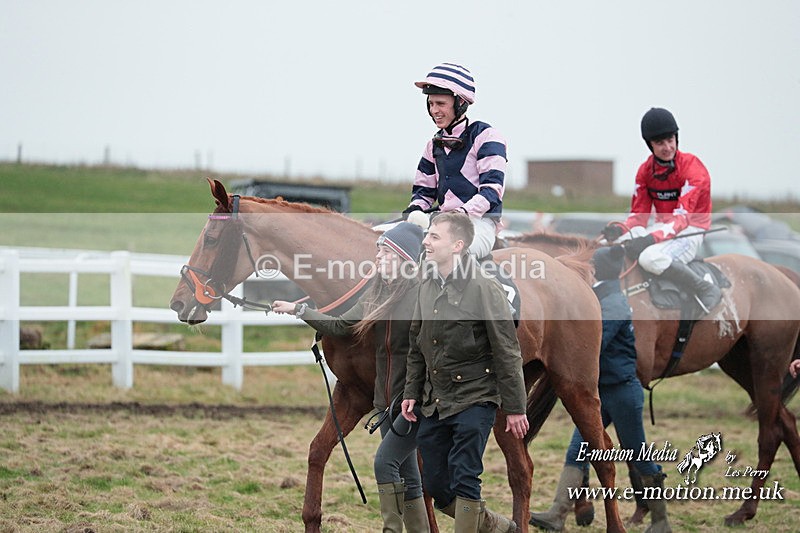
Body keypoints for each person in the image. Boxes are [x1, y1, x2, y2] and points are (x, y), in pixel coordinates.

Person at [272, 222, 430, 533]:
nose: (378, 258)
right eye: (379, 251)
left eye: (385, 252)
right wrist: (299, 311)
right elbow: (343, 325)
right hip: (387, 400)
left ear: (403, 259)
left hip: (411, 400)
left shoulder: (421, 295)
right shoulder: (378, 289)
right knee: (409, 477)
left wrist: (418, 392)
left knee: (385, 463)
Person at [400, 211, 528, 533]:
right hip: (434, 401)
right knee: (437, 483)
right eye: (427, 235)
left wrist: (514, 407)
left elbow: (507, 350)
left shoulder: (485, 288)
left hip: (476, 398)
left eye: (434, 236)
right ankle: (498, 526)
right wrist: (412, 393)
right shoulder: (426, 285)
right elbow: (417, 345)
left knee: (465, 475)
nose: (426, 241)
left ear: (457, 246)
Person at [529, 245, 672, 533]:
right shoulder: (604, 298)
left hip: (621, 393)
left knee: (638, 453)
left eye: (592, 267)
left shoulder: (614, 304)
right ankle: (557, 513)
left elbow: (591, 347)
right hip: (602, 392)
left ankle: (661, 520)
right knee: (577, 452)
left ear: (598, 270)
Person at [602, 107, 721, 313]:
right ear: (650, 145)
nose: (667, 147)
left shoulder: (694, 170)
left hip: (691, 230)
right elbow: (639, 216)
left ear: (676, 138)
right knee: (608, 246)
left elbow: (681, 220)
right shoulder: (645, 171)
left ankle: (705, 289)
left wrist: (649, 240)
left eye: (670, 139)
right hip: (663, 227)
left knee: (650, 258)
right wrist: (619, 230)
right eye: (660, 143)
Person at [402, 62, 508, 260]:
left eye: (440, 104)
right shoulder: (433, 145)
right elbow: (423, 192)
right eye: (431, 104)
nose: (434, 110)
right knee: (389, 241)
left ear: (460, 103)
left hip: (478, 224)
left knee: (447, 254)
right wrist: (416, 208)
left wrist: (461, 212)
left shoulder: (487, 136)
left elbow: (491, 191)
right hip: (441, 223)